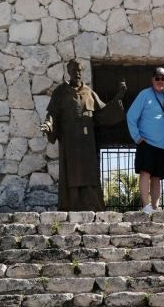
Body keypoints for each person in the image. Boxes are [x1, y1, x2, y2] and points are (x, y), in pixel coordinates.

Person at [41, 58, 126, 211]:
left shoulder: (88, 92)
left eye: (80, 70)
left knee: (89, 173)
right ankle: (71, 205)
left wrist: (118, 97)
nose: (77, 73)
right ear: (69, 72)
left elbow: (103, 113)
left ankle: (92, 204)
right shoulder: (60, 92)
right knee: (71, 173)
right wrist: (48, 125)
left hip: (87, 141)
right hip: (70, 141)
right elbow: (52, 114)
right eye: (74, 70)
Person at [126, 67, 164, 213]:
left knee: (157, 177)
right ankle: (146, 206)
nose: (159, 81)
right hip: (146, 143)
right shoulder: (144, 95)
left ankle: (155, 207)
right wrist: (137, 137)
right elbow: (131, 116)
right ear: (152, 80)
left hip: (161, 146)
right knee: (145, 173)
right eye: (157, 78)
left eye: (162, 78)